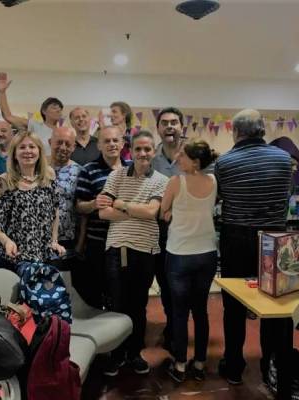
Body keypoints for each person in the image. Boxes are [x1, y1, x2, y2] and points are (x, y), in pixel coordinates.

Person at [214, 109, 291, 385]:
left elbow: (219, 198)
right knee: (277, 306)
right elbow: (286, 197)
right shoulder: (284, 160)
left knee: (233, 306)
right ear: (262, 129)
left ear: (236, 131)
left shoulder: (225, 162)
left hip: (236, 238)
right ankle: (273, 367)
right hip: (276, 237)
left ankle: (233, 365)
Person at [98, 130, 168, 376]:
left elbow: (152, 213)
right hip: (117, 249)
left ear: (154, 151)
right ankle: (117, 354)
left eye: (147, 149)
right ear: (131, 150)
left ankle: (134, 353)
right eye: (138, 149)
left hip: (146, 250)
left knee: (138, 305)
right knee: (117, 305)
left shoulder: (161, 180)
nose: (143, 154)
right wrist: (134, 209)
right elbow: (103, 213)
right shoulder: (116, 176)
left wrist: (121, 204)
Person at [160, 139, 218, 382]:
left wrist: (172, 212)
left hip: (180, 254)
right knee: (201, 311)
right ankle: (201, 363)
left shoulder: (176, 182)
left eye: (182, 155)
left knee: (180, 313)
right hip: (207, 254)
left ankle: (181, 365)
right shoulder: (213, 181)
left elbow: (163, 212)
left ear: (195, 162)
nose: (177, 158)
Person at [0, 131, 65, 273]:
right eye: (22, 147)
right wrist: (6, 241)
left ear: (39, 151)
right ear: (14, 154)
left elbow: (55, 212)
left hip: (42, 255)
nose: (28, 151)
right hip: (11, 256)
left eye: (32, 147)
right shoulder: (4, 180)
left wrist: (54, 241)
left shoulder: (49, 175)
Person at [74, 125, 129, 308]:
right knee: (97, 293)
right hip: (98, 244)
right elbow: (79, 207)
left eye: (115, 140)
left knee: (123, 294)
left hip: (127, 242)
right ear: (98, 145)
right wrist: (93, 203)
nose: (112, 144)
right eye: (107, 141)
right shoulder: (88, 170)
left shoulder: (133, 168)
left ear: (122, 144)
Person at [151, 107, 185, 354]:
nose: (170, 126)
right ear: (158, 129)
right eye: (165, 123)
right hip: (159, 232)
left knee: (183, 287)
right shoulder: (150, 160)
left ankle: (179, 329)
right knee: (165, 283)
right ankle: (172, 327)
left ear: (182, 126)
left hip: (188, 234)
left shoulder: (195, 157)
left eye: (174, 122)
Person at [0, 72, 63, 159]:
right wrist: (2, 92)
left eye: (60, 108)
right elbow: (8, 116)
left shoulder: (63, 132)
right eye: (54, 107)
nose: (58, 110)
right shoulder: (35, 125)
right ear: (44, 111)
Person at [49, 127, 81, 250]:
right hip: (38, 236)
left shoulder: (79, 172)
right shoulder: (37, 168)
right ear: (50, 142)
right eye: (59, 142)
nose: (63, 147)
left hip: (67, 239)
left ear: (73, 147)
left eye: (68, 144)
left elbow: (81, 210)